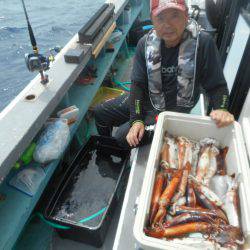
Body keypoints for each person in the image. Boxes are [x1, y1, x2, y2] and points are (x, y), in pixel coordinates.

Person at [94, 0, 234, 149]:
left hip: (172, 110)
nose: (167, 25)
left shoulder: (204, 43)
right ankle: (108, 151)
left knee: (123, 138)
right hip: (148, 99)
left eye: (175, 15)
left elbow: (217, 85)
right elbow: (138, 84)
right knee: (101, 111)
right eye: (160, 18)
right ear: (152, 20)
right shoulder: (144, 44)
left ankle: (125, 148)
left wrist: (221, 108)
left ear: (186, 16)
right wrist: (136, 120)